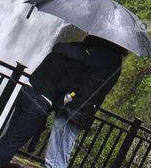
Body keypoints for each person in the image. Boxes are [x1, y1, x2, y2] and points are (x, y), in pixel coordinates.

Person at [0, 36, 126, 168]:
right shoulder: (87, 61)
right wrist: (62, 100)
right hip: (42, 102)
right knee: (13, 144)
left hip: (27, 90)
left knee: (8, 139)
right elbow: (64, 86)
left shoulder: (63, 50)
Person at [43, 36, 127, 168]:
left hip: (74, 108)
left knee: (54, 157)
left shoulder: (104, 55)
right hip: (82, 111)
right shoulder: (115, 61)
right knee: (62, 152)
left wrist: (58, 46)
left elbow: (79, 53)